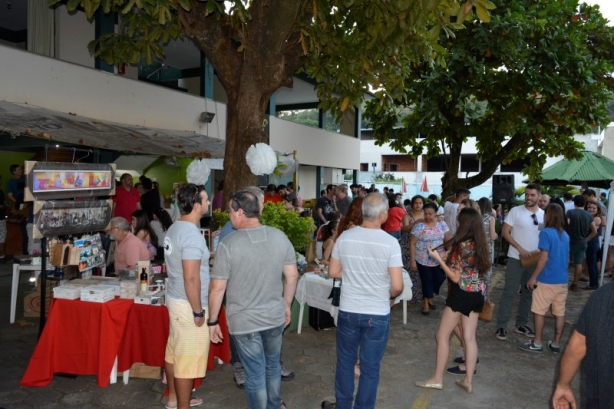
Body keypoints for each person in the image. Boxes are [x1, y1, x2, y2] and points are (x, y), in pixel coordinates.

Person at [209, 190, 299, 409]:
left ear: (240, 213)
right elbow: (292, 276)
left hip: (244, 322)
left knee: (255, 373)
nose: (229, 215)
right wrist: (286, 305)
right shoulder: (279, 236)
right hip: (274, 316)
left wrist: (212, 322)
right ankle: (274, 405)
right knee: (272, 367)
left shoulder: (228, 244)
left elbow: (217, 288)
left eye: (230, 211)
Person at [321, 193, 403, 409]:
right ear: (384, 215)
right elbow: (397, 286)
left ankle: (343, 405)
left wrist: (356, 275)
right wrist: (387, 294)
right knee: (370, 368)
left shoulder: (345, 238)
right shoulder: (391, 243)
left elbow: (333, 271)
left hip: (348, 310)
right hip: (377, 313)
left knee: (345, 363)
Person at [416, 208, 490, 394]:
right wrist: (446, 257)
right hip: (477, 294)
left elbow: (456, 277)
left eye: (459, 221)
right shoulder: (480, 243)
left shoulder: (461, 246)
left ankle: (437, 379)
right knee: (469, 338)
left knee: (441, 336)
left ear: (464, 223)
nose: (456, 223)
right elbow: (469, 268)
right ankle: (468, 381)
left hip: (461, 295)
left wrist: (438, 260)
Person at [162, 183, 210, 409]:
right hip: (187, 303)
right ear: (197, 205)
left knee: (174, 352)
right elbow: (191, 278)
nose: (209, 203)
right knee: (187, 361)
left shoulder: (174, 227)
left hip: (175, 299)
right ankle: (183, 405)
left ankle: (173, 399)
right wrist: (198, 311)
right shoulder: (191, 234)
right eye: (206, 199)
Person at [552, 283, 614, 409]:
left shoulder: (603, 295)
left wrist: (563, 384)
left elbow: (576, 348)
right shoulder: (603, 295)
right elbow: (576, 348)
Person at [495, 183, 544, 341]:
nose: (529, 197)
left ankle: (521, 324)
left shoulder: (544, 214)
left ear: (539, 196)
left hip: (534, 260)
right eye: (527, 195)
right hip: (516, 258)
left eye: (532, 195)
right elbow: (505, 232)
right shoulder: (516, 211)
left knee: (529, 293)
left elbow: (544, 236)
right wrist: (520, 248)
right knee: (509, 292)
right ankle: (502, 326)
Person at [519, 204, 570, 354]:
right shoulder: (565, 235)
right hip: (562, 280)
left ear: (548, 215)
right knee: (559, 313)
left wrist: (533, 277)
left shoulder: (546, 233)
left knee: (539, 311)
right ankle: (555, 343)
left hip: (547, 280)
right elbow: (566, 259)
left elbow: (543, 259)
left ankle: (537, 342)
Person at [410, 202, 450, 315]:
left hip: (439, 258)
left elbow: (448, 240)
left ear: (436, 214)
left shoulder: (442, 225)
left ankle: (430, 296)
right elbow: (412, 243)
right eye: (425, 214)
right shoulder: (419, 226)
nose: (427, 216)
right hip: (422, 259)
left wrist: (449, 252)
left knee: (439, 278)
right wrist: (412, 260)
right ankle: (426, 303)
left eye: (430, 214)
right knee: (426, 281)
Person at [566, 195, 597, 291]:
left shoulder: (570, 212)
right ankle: (574, 284)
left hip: (570, 241)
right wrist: (586, 239)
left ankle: (562, 282)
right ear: (585, 204)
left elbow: (566, 225)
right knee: (578, 263)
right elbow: (594, 231)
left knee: (565, 262)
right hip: (582, 242)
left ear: (574, 202)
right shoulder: (588, 215)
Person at [399, 195, 424, 306]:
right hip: (407, 245)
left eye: (420, 203)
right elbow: (404, 229)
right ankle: (408, 297)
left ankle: (418, 296)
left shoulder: (425, 214)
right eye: (416, 203)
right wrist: (415, 223)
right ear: (412, 204)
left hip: (421, 245)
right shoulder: (407, 215)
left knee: (419, 272)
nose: (418, 205)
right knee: (409, 270)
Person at [7, 164, 29, 255]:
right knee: (22, 232)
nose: (21, 170)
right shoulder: (10, 182)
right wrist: (19, 203)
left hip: (28, 207)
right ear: (14, 172)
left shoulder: (26, 179)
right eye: (19, 169)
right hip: (19, 208)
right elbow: (10, 195)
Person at [584, 202, 603, 289]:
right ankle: (594, 284)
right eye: (590, 208)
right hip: (592, 243)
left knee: (592, 265)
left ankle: (593, 284)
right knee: (593, 264)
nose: (591, 209)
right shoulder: (590, 217)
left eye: (594, 208)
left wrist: (585, 241)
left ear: (598, 210)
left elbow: (592, 231)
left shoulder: (597, 219)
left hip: (592, 242)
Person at [0, 174, 8, 263]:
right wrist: (5, 207)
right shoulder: (0, 192)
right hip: (0, 218)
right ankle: (2, 256)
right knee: (1, 237)